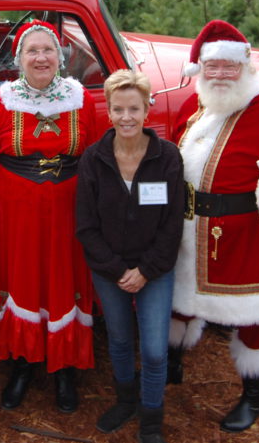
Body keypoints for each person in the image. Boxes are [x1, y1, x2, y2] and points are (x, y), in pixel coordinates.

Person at [169, 19, 259, 434]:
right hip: (187, 229)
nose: (218, 75)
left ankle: (254, 395)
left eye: (227, 67)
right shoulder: (193, 106)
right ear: (200, 68)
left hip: (242, 235)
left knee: (253, 315)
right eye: (211, 67)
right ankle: (174, 360)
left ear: (244, 67)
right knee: (179, 302)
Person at [0, 20, 97, 413]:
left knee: (63, 281)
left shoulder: (82, 101)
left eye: (48, 50)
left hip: (67, 216)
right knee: (23, 282)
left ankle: (64, 370)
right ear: (18, 58)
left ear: (60, 58)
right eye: (32, 51)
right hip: (16, 217)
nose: (41, 57)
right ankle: (23, 366)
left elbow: (96, 164)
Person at [75, 69, 185, 443]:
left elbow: (172, 225)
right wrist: (119, 270)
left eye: (134, 109)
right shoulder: (94, 159)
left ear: (146, 111)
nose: (126, 117)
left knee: (154, 351)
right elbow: (86, 226)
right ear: (108, 111)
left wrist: (145, 270)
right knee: (120, 340)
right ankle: (125, 401)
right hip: (110, 270)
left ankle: (151, 419)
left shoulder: (166, 157)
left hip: (155, 270)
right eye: (118, 109)